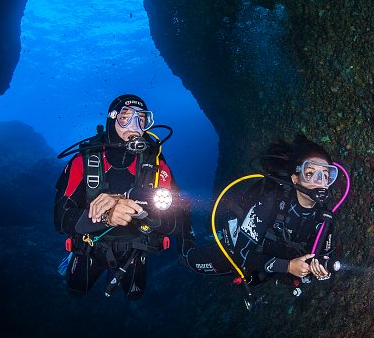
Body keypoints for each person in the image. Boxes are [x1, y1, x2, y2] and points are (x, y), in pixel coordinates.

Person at [54, 93, 193, 299]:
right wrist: (105, 215)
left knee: (134, 297)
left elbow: (176, 222)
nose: (134, 126)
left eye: (142, 119)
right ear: (111, 119)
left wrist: (133, 204)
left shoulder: (156, 166)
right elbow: (60, 219)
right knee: (75, 291)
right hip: (89, 248)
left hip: (135, 251)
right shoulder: (82, 161)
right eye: (125, 117)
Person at [180, 133, 343, 304]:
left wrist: (321, 269)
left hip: (268, 264)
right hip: (236, 250)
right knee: (190, 261)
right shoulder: (271, 202)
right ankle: (184, 218)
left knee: (259, 278)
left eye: (325, 174)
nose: (319, 181)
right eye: (310, 173)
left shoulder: (324, 218)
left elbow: (325, 256)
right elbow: (241, 254)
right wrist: (288, 266)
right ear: (295, 179)